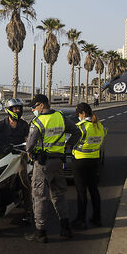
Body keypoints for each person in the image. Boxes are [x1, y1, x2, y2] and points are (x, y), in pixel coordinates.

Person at [24, 94, 82, 243]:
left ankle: (40, 232)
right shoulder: (60, 117)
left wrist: (31, 151)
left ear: (42, 105)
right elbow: (77, 132)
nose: (33, 109)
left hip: (43, 164)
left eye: (35, 106)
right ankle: (65, 228)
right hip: (58, 162)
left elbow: (29, 145)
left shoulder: (38, 122)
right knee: (59, 195)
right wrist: (69, 145)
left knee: (40, 196)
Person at [71, 102, 105, 230]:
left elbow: (71, 142)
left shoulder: (81, 127)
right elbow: (102, 137)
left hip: (80, 161)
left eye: (79, 114)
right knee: (94, 190)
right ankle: (97, 218)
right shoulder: (99, 125)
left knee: (81, 192)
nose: (78, 117)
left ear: (83, 113)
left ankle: (81, 220)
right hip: (94, 160)